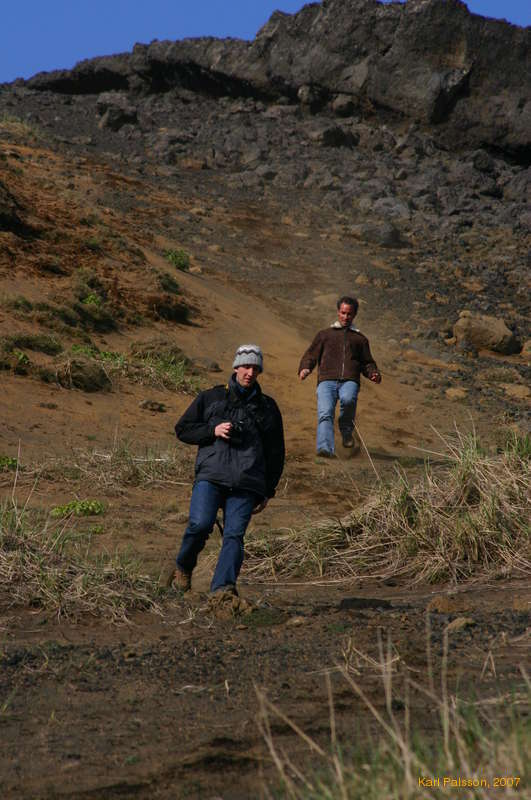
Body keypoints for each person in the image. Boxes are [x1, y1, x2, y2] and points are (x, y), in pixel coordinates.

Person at [170, 344, 285, 598]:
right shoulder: (211, 397)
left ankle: (222, 591)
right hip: (211, 476)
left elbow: (276, 452)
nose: (250, 373)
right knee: (200, 525)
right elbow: (183, 429)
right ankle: (183, 567)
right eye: (246, 367)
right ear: (236, 367)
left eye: (255, 368)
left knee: (234, 536)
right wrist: (212, 431)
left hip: (248, 481)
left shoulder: (268, 407)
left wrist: (268, 490)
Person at [298, 296, 381, 457]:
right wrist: (305, 368)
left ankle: (346, 430)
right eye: (343, 313)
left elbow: (367, 362)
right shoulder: (325, 335)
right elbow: (311, 354)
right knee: (325, 413)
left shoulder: (360, 339)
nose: (345, 317)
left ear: (354, 314)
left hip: (350, 380)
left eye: (349, 314)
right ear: (338, 312)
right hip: (326, 380)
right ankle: (325, 449)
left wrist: (373, 373)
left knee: (348, 400)